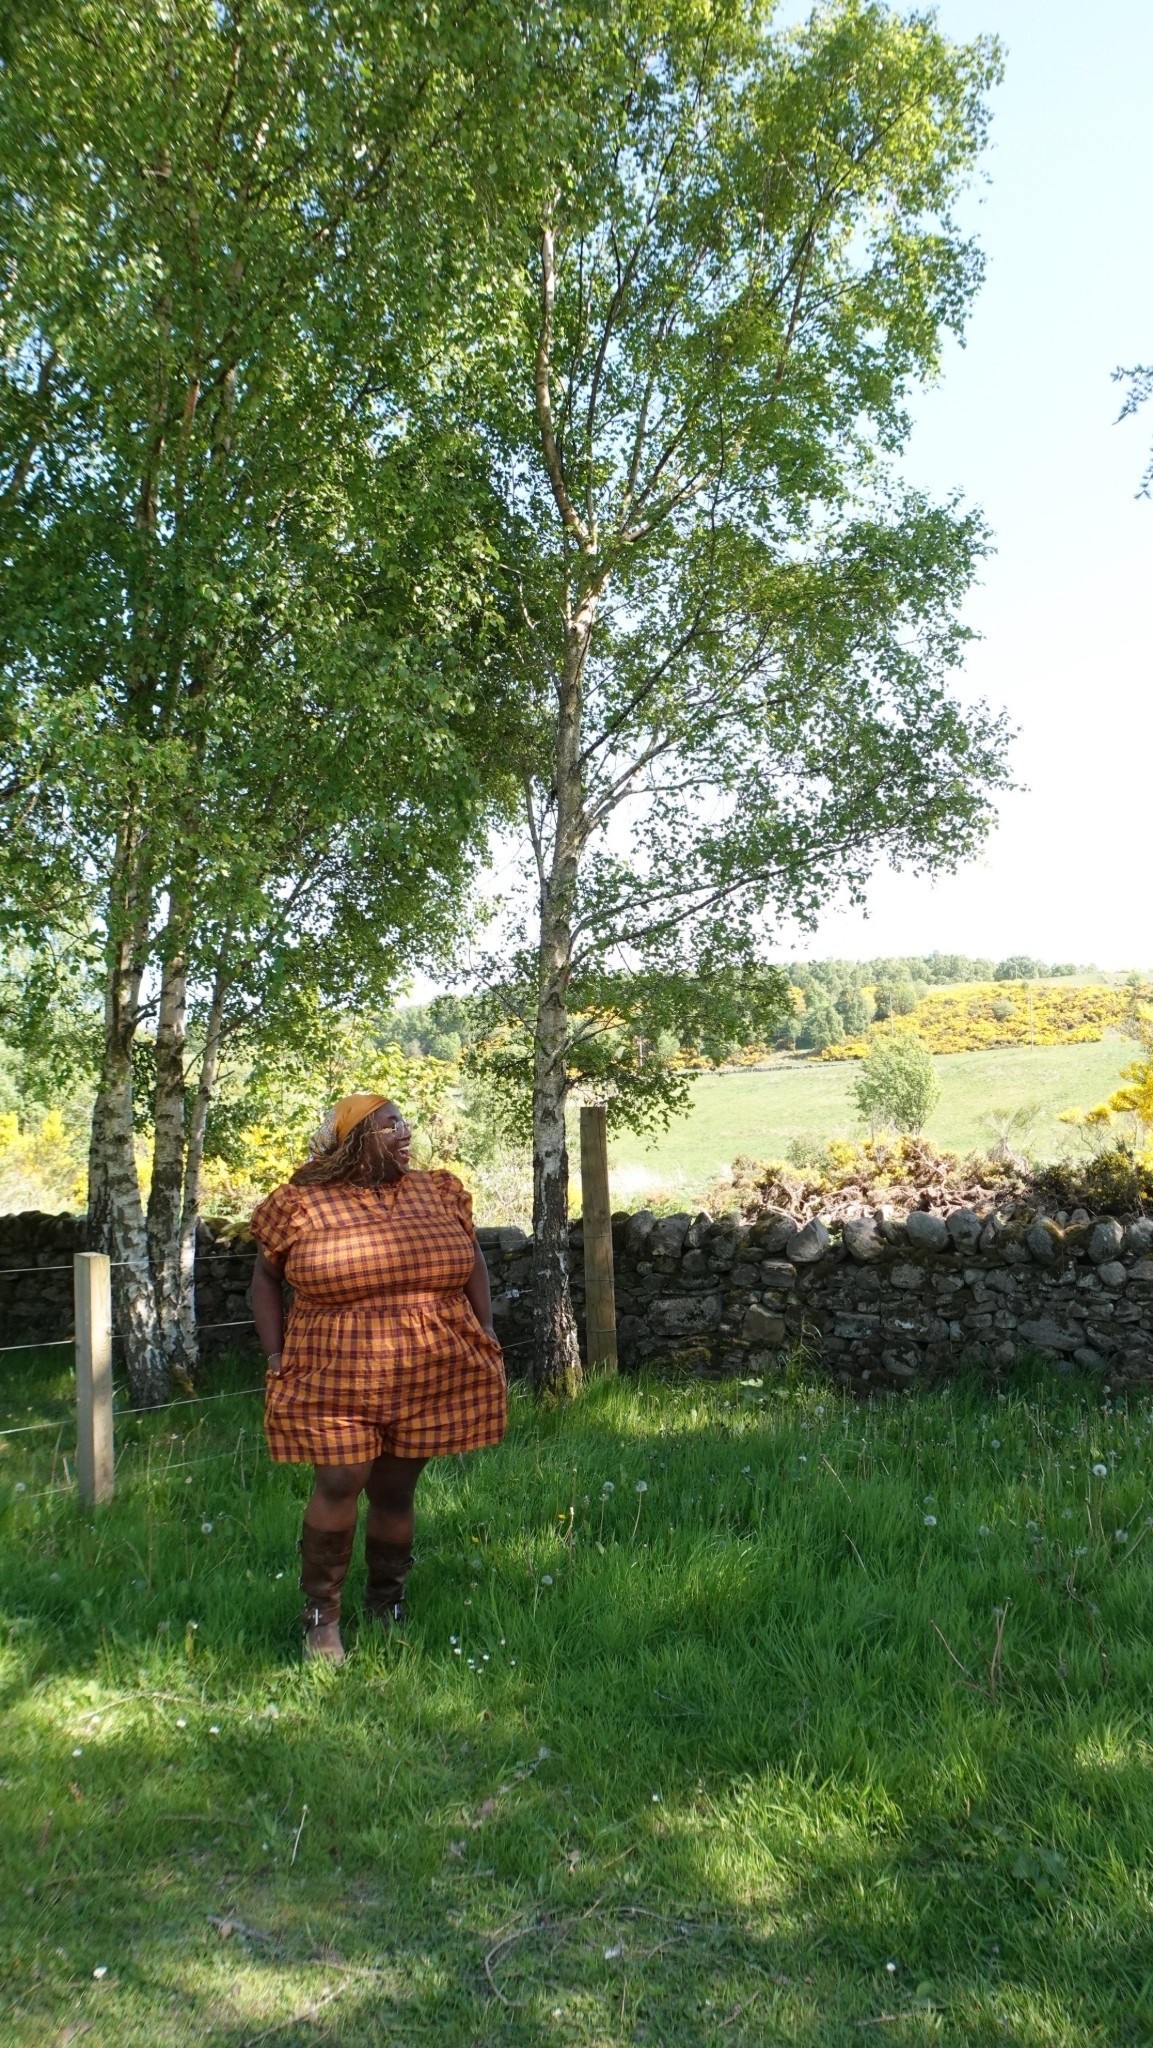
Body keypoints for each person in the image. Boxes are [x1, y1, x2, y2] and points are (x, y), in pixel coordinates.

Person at [249, 1091, 506, 1663]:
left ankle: (387, 1601)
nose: (405, 1132)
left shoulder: (436, 1189)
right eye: (392, 1125)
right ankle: (321, 1618)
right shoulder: (300, 1204)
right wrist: (274, 1354)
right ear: (358, 1137)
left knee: (396, 1490)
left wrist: (485, 1325)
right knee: (341, 1480)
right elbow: (266, 1280)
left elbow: (473, 1258)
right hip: (332, 1368)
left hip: (426, 1366)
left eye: (405, 1122)